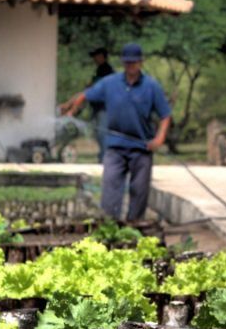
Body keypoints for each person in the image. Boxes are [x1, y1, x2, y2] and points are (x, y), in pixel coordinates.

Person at [61, 43, 171, 221]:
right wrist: (72, 109)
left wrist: (159, 138)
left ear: (141, 63)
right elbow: (86, 95)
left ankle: (135, 226)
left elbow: (165, 115)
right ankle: (110, 224)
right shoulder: (110, 83)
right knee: (111, 188)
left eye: (134, 63)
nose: (131, 66)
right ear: (123, 63)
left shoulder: (151, 86)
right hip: (115, 147)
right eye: (127, 63)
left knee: (139, 191)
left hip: (142, 148)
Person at [61, 46, 112, 161]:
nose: (94, 58)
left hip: (105, 109)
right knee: (99, 133)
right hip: (98, 108)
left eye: (96, 56)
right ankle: (103, 158)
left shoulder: (106, 71)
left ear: (102, 57)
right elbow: (87, 90)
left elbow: (89, 91)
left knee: (102, 134)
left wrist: (71, 107)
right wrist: (69, 103)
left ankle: (105, 160)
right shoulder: (100, 70)